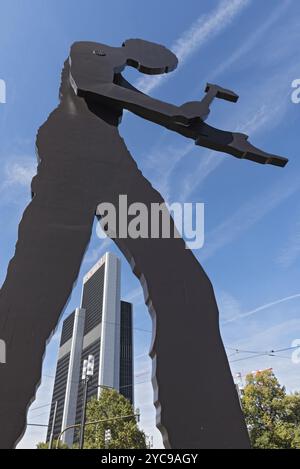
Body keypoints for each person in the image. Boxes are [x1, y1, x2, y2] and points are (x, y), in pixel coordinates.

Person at [1, 39, 285, 449]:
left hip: (112, 160)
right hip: (70, 149)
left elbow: (171, 119)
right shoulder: (92, 52)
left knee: (185, 283)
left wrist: (230, 140)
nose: (157, 69)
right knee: (32, 296)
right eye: (159, 64)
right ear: (141, 50)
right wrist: (176, 111)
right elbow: (93, 86)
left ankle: (207, 436)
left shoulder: (118, 74)